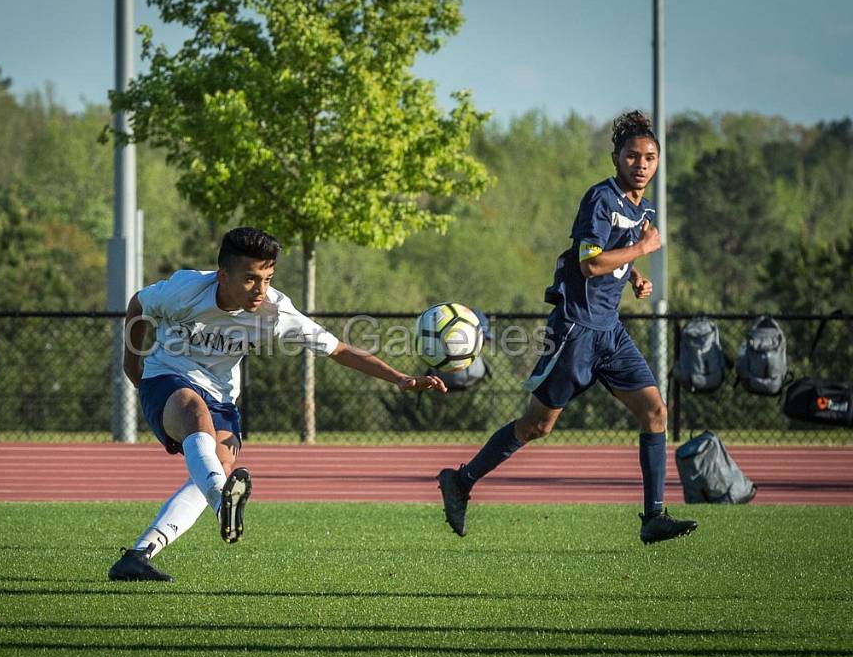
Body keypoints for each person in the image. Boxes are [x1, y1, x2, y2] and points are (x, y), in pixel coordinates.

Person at [109, 227, 447, 581]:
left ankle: (138, 555)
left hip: (221, 397)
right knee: (196, 416)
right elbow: (138, 304)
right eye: (251, 279)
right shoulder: (185, 291)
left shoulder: (276, 312)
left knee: (213, 469)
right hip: (166, 378)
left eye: (267, 279)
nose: (261, 290)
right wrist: (132, 366)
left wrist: (400, 379)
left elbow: (340, 350)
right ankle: (223, 500)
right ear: (222, 275)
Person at [436, 110, 698, 545]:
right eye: (632, 156)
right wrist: (643, 247)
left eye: (650, 157)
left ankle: (654, 516)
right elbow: (590, 262)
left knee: (655, 411)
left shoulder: (643, 206)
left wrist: (635, 275)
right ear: (616, 157)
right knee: (537, 426)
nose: (642, 164)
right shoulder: (600, 199)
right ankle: (461, 481)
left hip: (609, 331)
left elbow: (616, 254)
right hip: (576, 329)